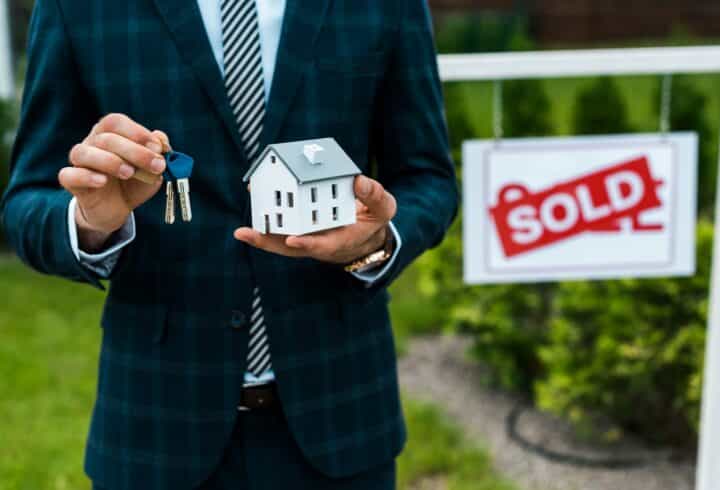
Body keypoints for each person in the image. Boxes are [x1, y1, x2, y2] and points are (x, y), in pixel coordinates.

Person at [1, 0, 458, 488]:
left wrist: (377, 241)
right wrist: (90, 222)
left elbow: (427, 178)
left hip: (341, 414)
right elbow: (26, 201)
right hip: (155, 425)